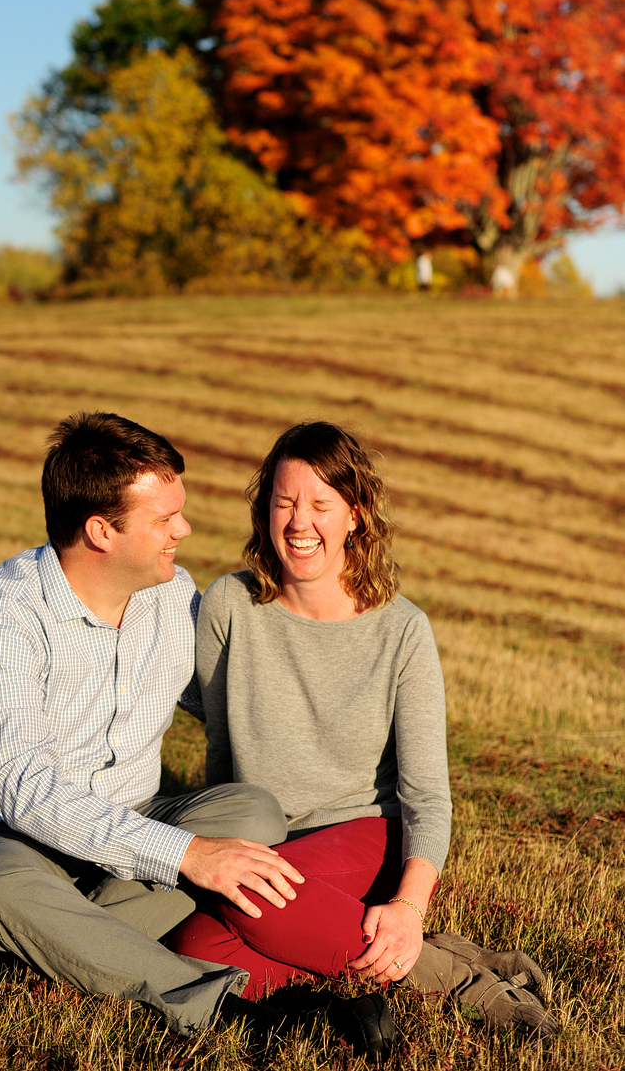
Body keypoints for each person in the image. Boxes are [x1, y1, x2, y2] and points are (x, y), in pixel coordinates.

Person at [0, 411, 390, 1052]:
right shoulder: (3, 616)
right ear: (102, 531)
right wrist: (188, 858)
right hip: (4, 835)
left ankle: (18, 962)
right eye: (165, 520)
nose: (183, 531)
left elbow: (231, 700)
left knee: (252, 813)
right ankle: (238, 1008)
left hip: (133, 817)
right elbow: (22, 788)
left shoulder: (171, 598)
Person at [169, 421, 557, 1042]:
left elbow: (427, 795)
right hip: (267, 843)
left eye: (321, 505)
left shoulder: (401, 632)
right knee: (194, 947)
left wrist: (406, 906)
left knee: (250, 908)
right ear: (263, 507)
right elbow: (222, 747)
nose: (300, 523)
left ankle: (463, 986)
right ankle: (439, 957)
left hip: (361, 836)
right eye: (285, 502)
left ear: (355, 515)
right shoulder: (228, 607)